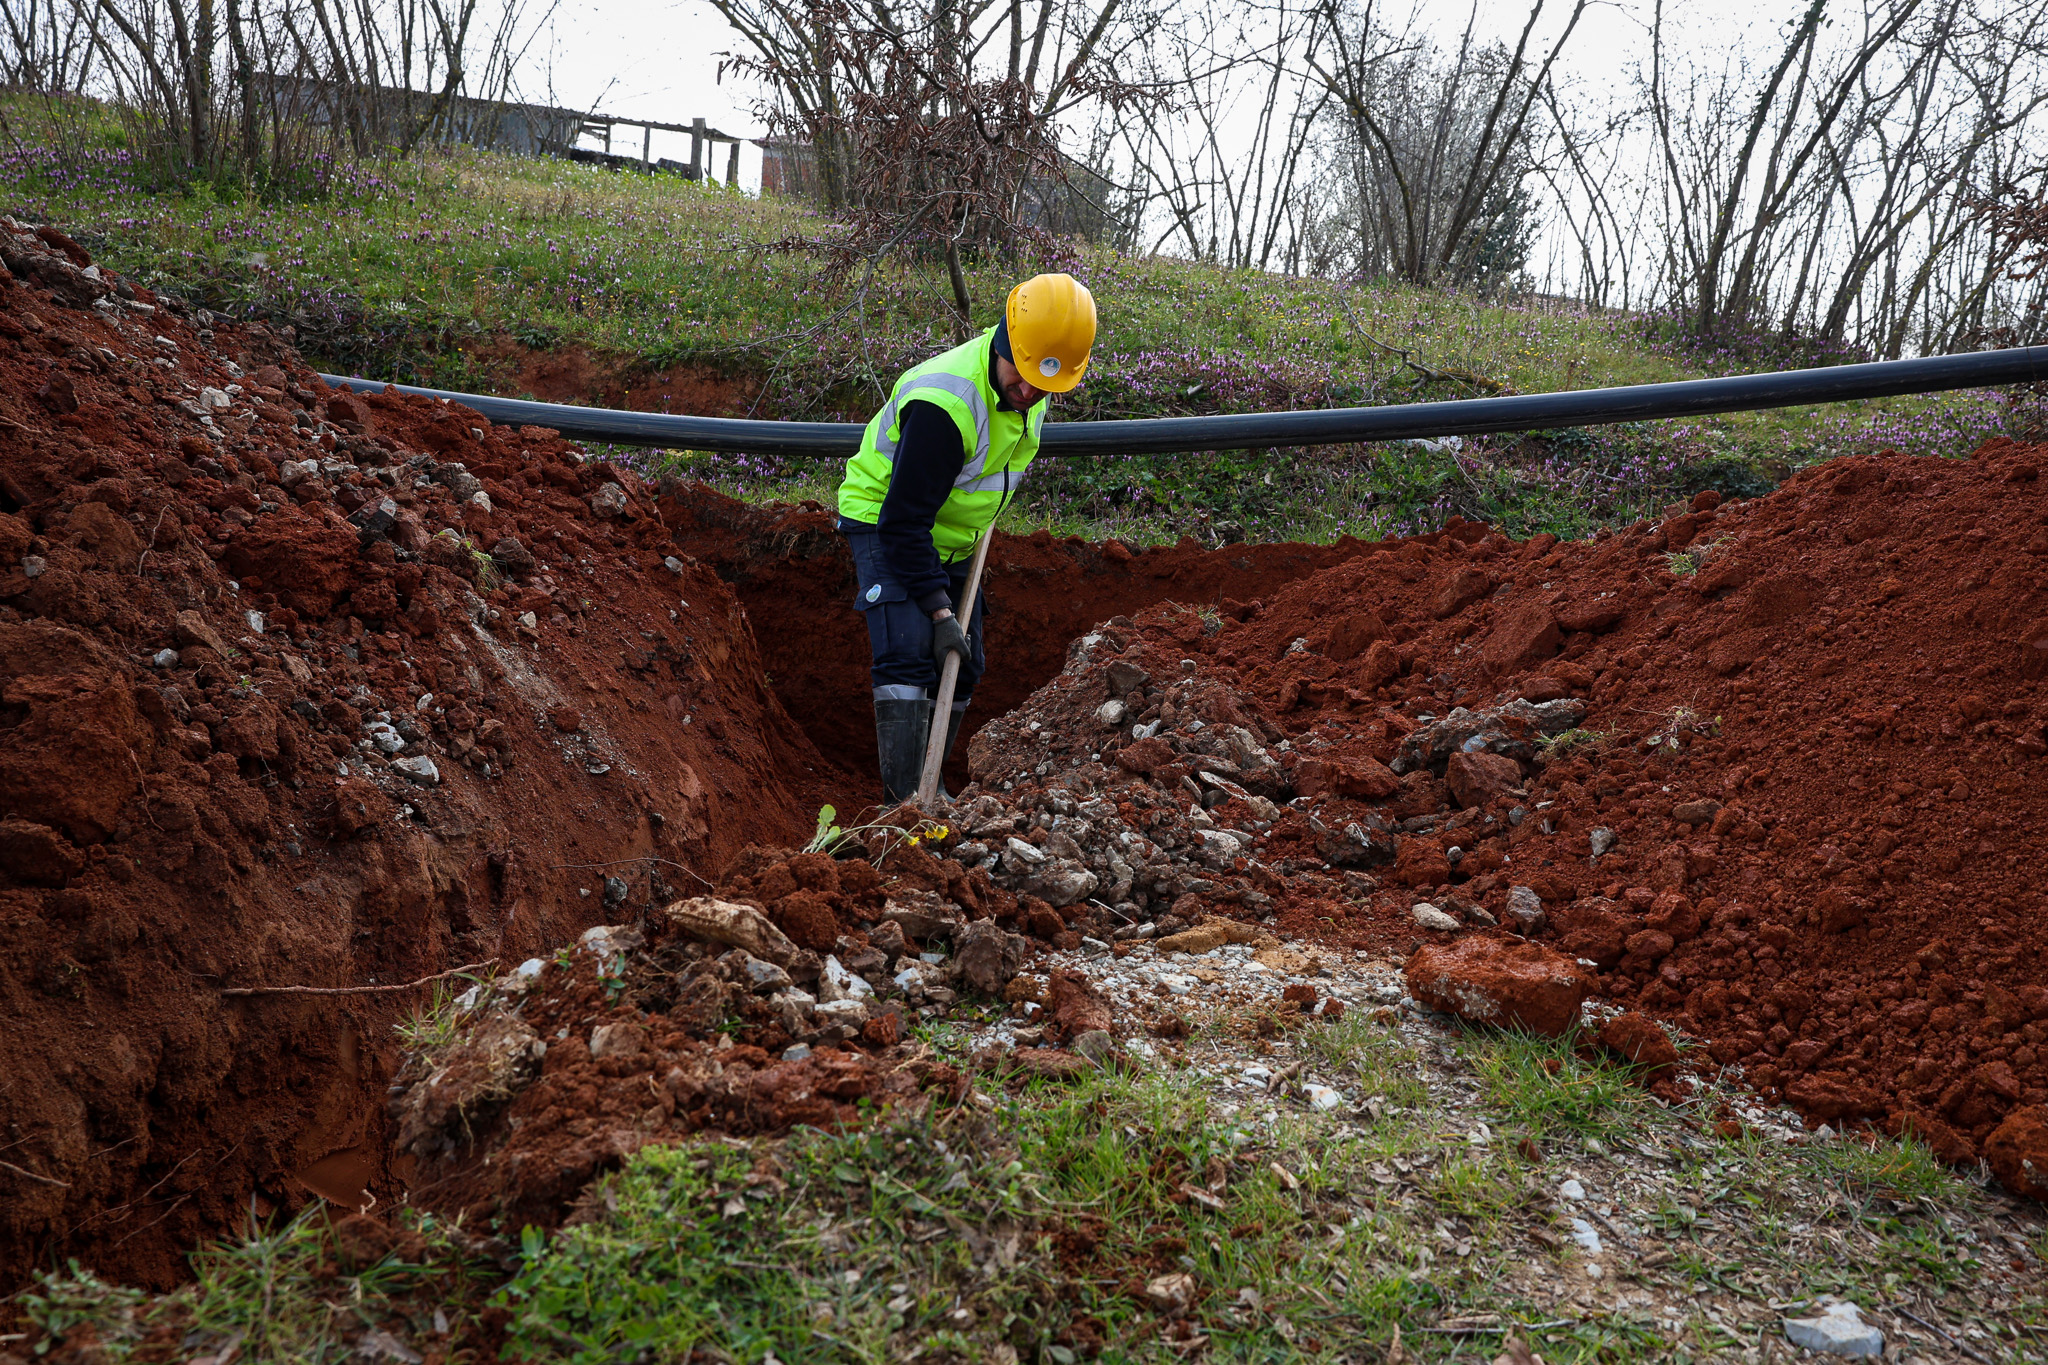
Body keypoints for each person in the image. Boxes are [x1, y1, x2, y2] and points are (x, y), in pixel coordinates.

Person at [836, 272, 1098, 803]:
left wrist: (952, 613)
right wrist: (938, 611)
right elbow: (902, 522)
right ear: (1005, 341)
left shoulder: (1032, 386)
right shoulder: (944, 406)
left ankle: (932, 784)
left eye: (1043, 386)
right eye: (1022, 377)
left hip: (954, 536)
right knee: (909, 653)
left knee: (966, 662)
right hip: (886, 521)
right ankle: (905, 804)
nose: (1028, 394)